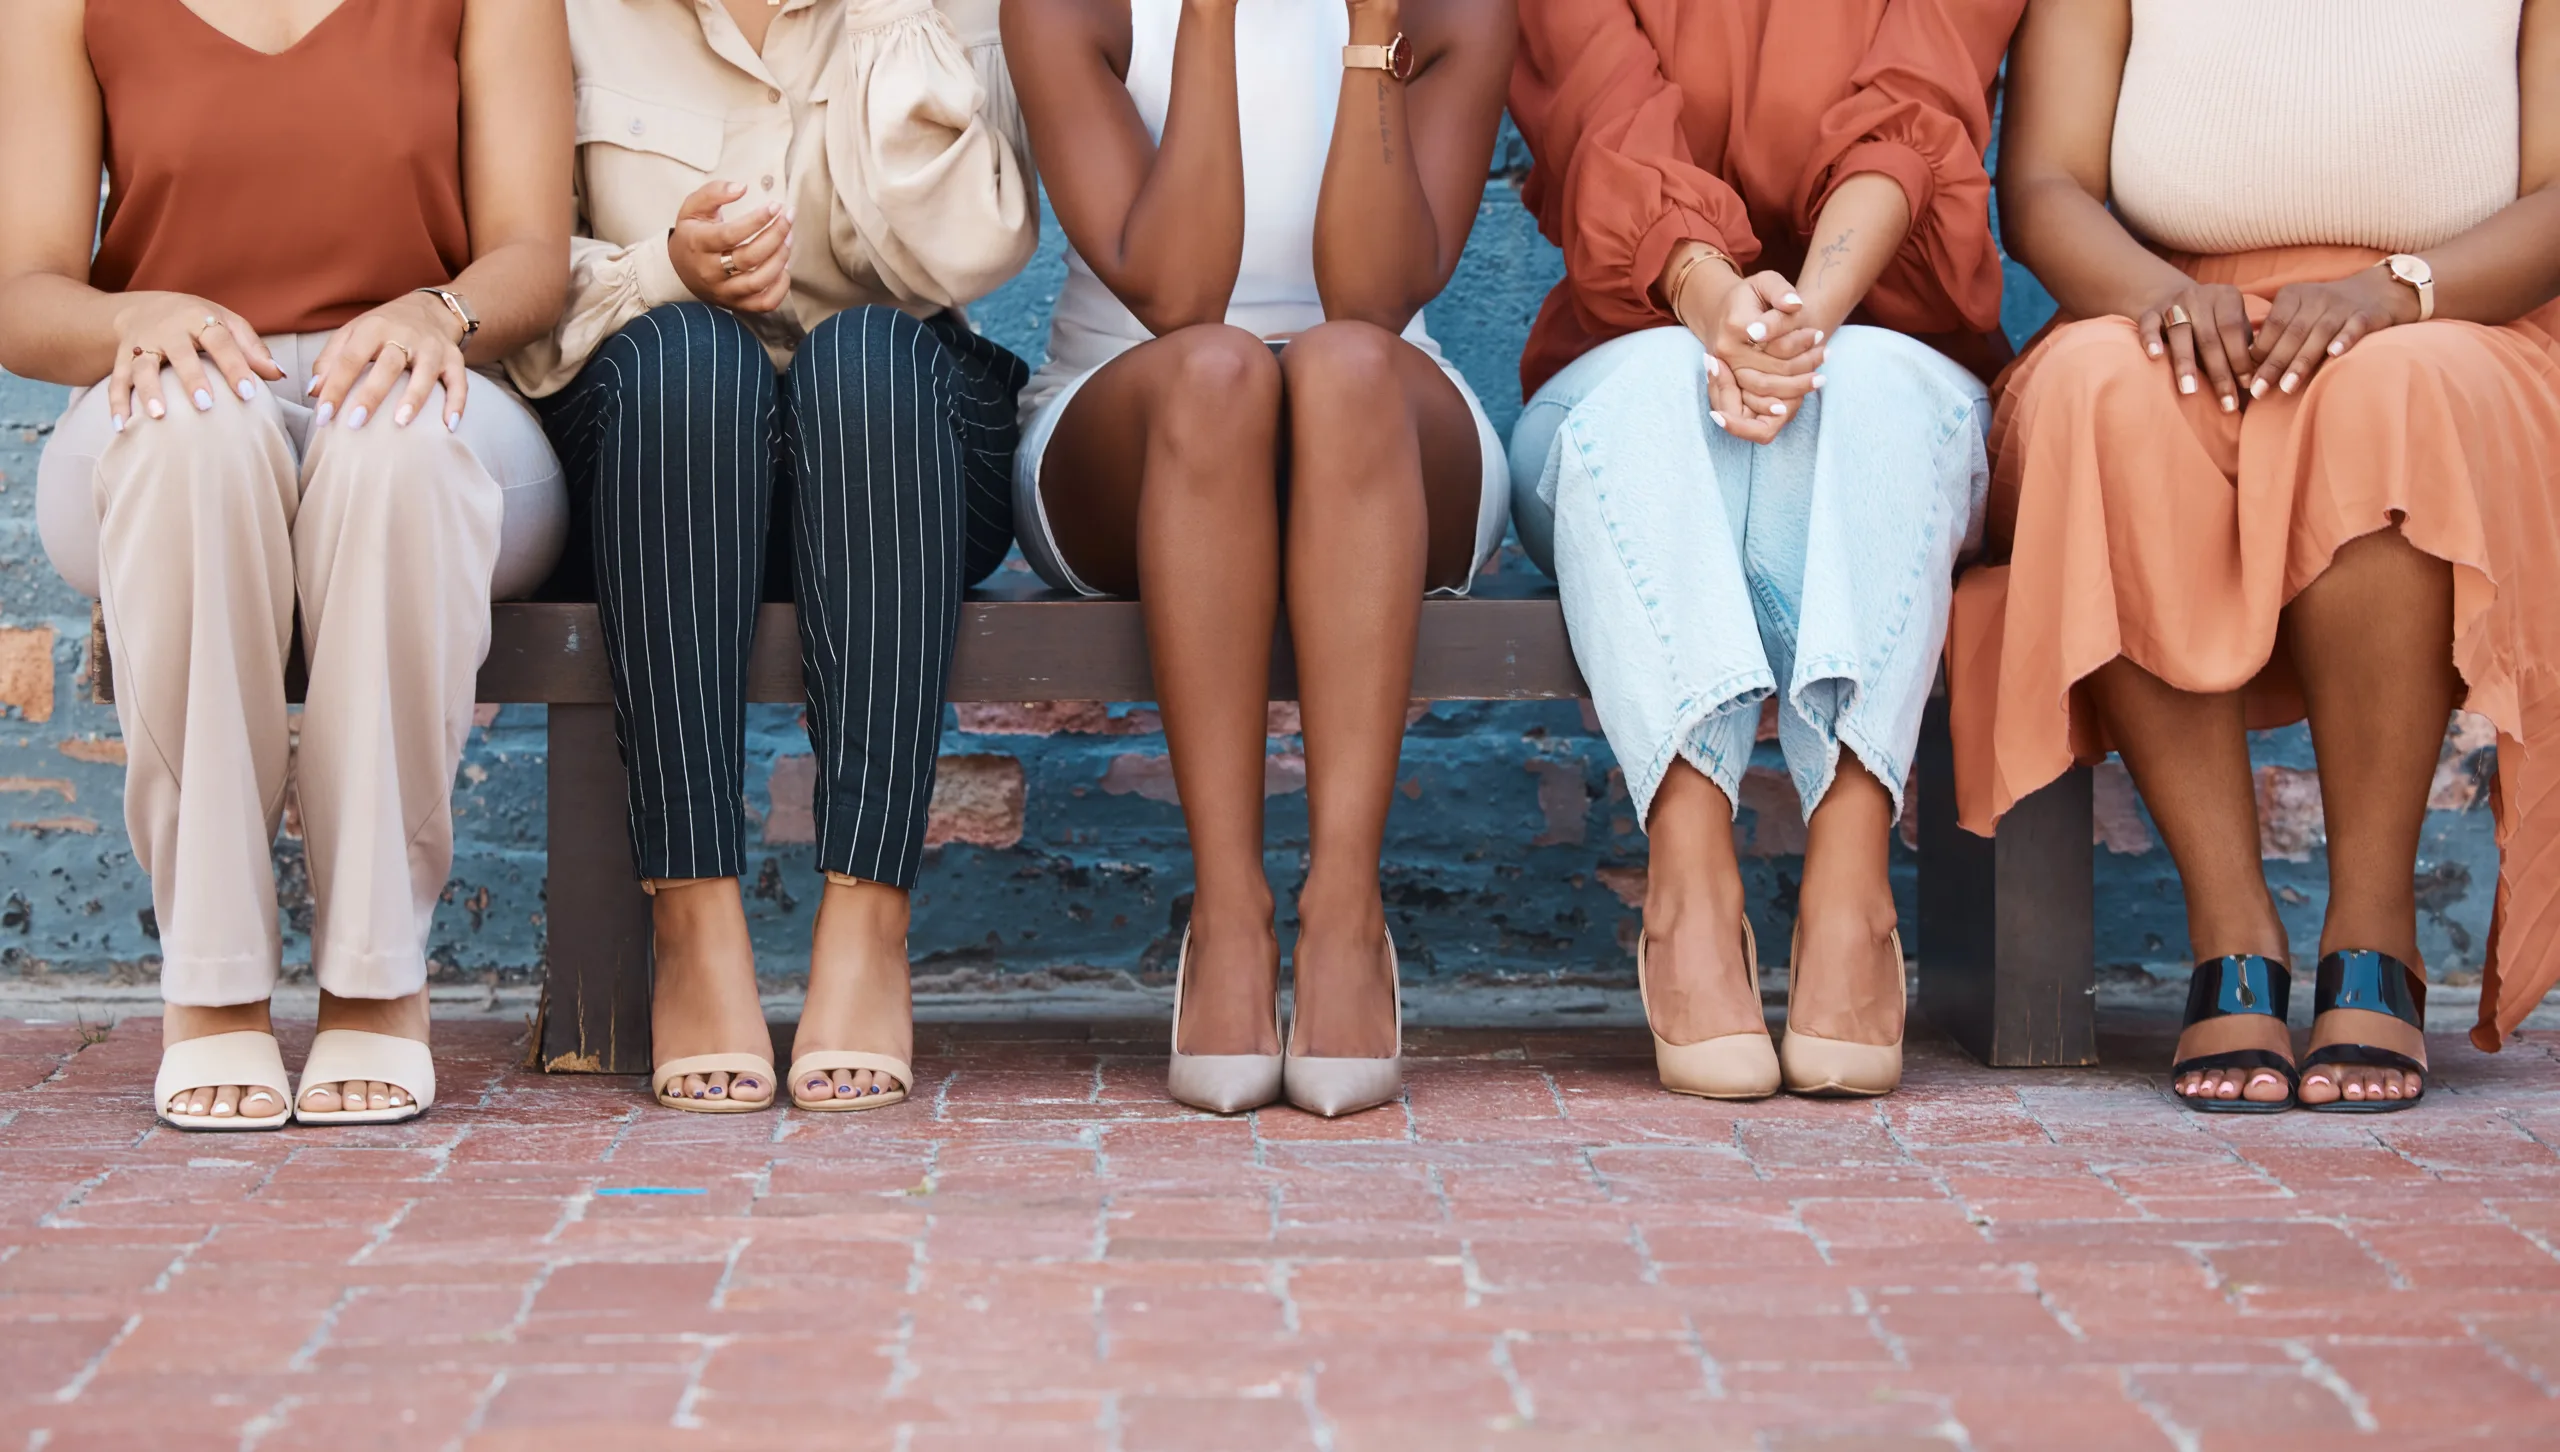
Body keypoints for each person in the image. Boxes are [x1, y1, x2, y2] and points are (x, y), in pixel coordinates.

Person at [1955, 0, 2560, 1112]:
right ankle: (2229, 932)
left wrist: (2396, 294)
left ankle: (2375, 934)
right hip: (2180, 313)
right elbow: (2042, 186)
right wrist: (2168, 301)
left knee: (2390, 393)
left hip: (2456, 319)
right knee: (2098, 395)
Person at [0, 0, 571, 1129]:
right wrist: (138, 317)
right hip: (164, 399)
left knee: (393, 452)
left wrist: (437, 311)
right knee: (195, 439)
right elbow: (24, 295)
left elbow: (531, 259)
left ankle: (375, 976)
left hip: (430, 390)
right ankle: (212, 987)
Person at [506, 0, 1037, 1113]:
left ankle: (867, 919)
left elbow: (966, 250)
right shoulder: (570, 13)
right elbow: (515, 287)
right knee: (688, 361)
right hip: (668, 460)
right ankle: (694, 922)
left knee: (871, 353)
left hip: (900, 451)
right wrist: (664, 268)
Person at [1003, 0, 1513, 1115]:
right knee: (1217, 370)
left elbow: (1372, 299)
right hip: (1136, 420)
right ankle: (1228, 912)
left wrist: (1371, 27)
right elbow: (1177, 295)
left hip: (1379, 433)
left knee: (1341, 368)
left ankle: (1344, 912)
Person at [1507, 0, 2023, 1099]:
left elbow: (1913, 113)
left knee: (1872, 383)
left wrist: (1804, 323)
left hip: (1882, 379)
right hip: (1633, 373)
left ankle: (1853, 873)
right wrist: (1716, 308)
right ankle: (1688, 875)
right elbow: (1608, 129)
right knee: (1655, 386)